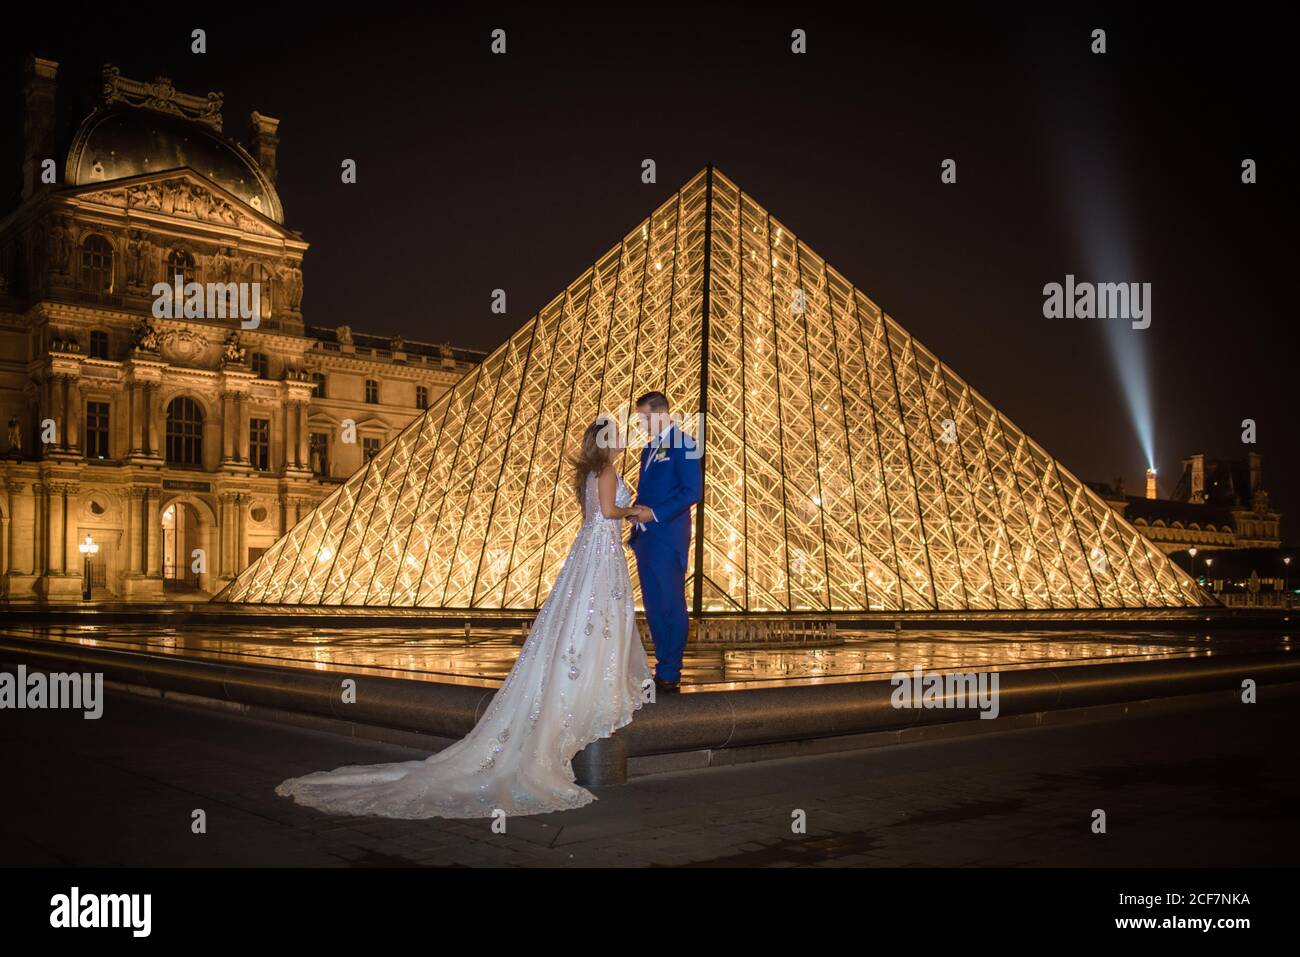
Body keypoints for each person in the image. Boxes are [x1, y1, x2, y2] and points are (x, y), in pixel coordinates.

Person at [274, 416, 652, 819]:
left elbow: (593, 513)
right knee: (598, 617)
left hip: (589, 551)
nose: (625, 441)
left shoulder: (588, 473)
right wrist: (638, 511)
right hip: (601, 551)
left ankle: (583, 674)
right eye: (621, 436)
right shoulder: (609, 470)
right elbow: (609, 511)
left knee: (579, 618)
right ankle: (592, 680)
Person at [626, 391, 703, 695]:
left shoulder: (685, 443)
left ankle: (671, 670)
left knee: (671, 604)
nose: (642, 424)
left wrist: (653, 514)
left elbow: (691, 491)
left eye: (644, 417)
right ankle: (662, 665)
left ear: (660, 413)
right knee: (655, 606)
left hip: (668, 536)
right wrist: (635, 511)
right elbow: (648, 491)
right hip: (646, 537)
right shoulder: (648, 449)